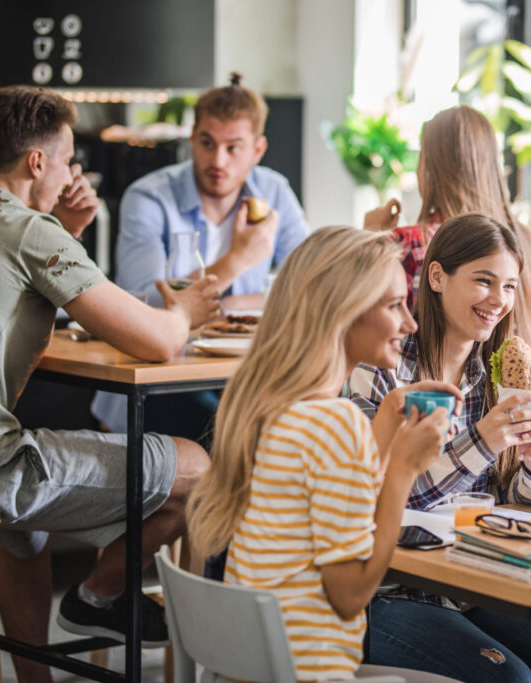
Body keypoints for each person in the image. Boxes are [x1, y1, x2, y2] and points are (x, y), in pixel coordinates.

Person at [0, 86, 220, 683]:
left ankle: (35, 675)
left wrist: (62, 229)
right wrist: (188, 309)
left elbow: (0, 287)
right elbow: (160, 340)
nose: (74, 172)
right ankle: (96, 595)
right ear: (37, 162)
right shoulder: (30, 233)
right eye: (68, 160)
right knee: (199, 470)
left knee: (27, 507)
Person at [186, 226, 460, 682]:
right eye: (395, 306)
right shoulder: (337, 423)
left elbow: (339, 507)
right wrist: (403, 473)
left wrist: (390, 418)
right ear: (344, 311)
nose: (410, 324)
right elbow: (351, 595)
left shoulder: (275, 411)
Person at [347, 214, 531, 683]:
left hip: (474, 586)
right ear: (436, 276)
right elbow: (388, 498)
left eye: (509, 287)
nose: (499, 301)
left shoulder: (497, 373)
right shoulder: (381, 368)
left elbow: (513, 503)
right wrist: (484, 439)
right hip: (387, 594)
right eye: (484, 281)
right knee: (510, 679)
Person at [92, 72, 310, 437]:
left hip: (238, 375)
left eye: (233, 147)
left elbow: (312, 286)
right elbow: (145, 307)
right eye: (207, 143)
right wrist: (237, 261)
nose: (218, 160)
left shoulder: (273, 192)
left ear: (257, 150)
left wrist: (224, 306)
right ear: (192, 139)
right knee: (237, 433)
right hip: (155, 380)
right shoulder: (148, 197)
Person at [364, 105, 531, 373]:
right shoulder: (525, 242)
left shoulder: (408, 243)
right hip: (519, 400)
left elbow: (368, 334)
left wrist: (371, 242)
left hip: (427, 398)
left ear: (431, 167)